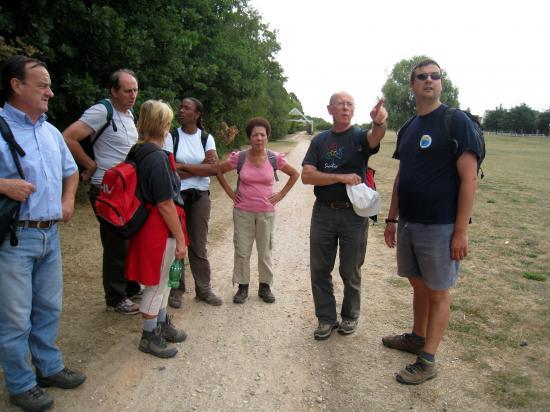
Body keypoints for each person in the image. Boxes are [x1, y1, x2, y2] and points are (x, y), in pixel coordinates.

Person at [382, 59, 482, 385]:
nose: (429, 80)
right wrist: (392, 218)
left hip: (440, 227)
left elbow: (469, 180)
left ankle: (427, 360)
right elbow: (402, 176)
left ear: (441, 83)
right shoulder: (409, 127)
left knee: (438, 291)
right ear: (412, 85)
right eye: (422, 76)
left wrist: (461, 231)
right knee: (418, 284)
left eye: (435, 76)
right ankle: (416, 336)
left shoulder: (457, 122)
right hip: (410, 223)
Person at [0, 55, 86, 412]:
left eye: (49, 85)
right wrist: (3, 184)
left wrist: (68, 199)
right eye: (42, 85)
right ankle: (21, 385)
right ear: (16, 85)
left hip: (49, 235)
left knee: (49, 308)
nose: (50, 92)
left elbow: (72, 171)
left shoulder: (51, 131)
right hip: (13, 238)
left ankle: (49, 368)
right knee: (15, 317)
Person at [302, 92, 387, 340]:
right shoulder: (320, 141)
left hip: (353, 215)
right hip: (324, 212)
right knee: (319, 269)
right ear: (330, 109)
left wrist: (379, 122)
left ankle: (350, 316)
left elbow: (375, 136)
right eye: (340, 104)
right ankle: (326, 319)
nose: (346, 108)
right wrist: (340, 177)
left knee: (350, 269)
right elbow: (307, 176)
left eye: (350, 104)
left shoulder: (360, 136)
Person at [63, 69, 141, 314]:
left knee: (127, 239)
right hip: (106, 190)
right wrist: (89, 163)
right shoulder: (102, 111)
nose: (133, 95)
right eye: (127, 91)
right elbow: (68, 137)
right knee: (115, 243)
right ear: (114, 91)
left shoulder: (128, 114)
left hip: (125, 190)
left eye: (135, 90)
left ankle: (128, 286)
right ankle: (115, 298)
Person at [124, 100, 189, 358]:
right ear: (163, 125)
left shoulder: (137, 151)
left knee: (161, 281)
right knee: (158, 284)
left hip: (146, 226)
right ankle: (149, 335)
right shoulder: (157, 157)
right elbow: (165, 203)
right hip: (159, 230)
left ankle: (161, 323)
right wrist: (181, 240)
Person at [217, 117, 299, 304]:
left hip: (266, 212)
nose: (259, 138)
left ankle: (265, 286)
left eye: (262, 134)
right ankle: (242, 286)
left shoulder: (274, 158)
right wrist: (231, 193)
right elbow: (218, 170)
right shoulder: (240, 157)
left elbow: (295, 174)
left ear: (268, 137)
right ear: (249, 137)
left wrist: (281, 194)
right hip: (242, 212)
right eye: (255, 135)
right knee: (242, 250)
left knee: (265, 250)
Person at [164, 97, 222, 307]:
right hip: (176, 198)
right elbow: (170, 171)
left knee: (198, 245)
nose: (181, 110)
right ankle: (175, 290)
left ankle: (203, 289)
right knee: (176, 245)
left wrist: (183, 167)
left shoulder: (206, 138)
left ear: (197, 114)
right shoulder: (171, 137)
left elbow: (214, 169)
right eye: (180, 107)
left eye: (186, 108)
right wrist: (198, 167)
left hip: (199, 197)